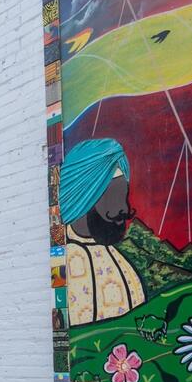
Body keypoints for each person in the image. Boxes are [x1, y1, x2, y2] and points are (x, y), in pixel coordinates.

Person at [61, 138, 145, 325]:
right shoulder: (65, 259)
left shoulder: (113, 256)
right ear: (85, 196)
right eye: (114, 196)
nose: (124, 208)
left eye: (124, 196)